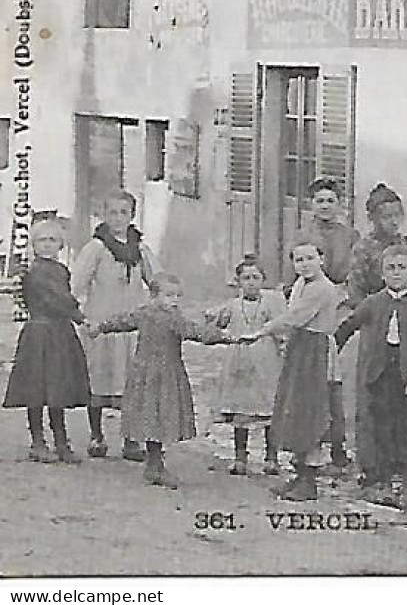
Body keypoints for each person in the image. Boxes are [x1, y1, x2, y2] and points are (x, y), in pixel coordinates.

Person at [86, 272, 239, 487]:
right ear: (154, 295)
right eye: (168, 295)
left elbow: (122, 321)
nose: (174, 301)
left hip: (145, 372)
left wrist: (100, 326)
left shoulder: (145, 313)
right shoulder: (170, 317)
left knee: (152, 416)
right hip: (163, 374)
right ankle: (155, 466)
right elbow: (194, 332)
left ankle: (154, 463)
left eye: (177, 296)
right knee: (159, 416)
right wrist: (222, 336)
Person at [334, 245, 407, 508]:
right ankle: (380, 480)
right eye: (391, 268)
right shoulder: (373, 303)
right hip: (378, 373)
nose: (396, 273)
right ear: (382, 274)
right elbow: (347, 326)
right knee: (380, 425)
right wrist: (330, 349)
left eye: (402, 267)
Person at [250, 242, 347, 501]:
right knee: (295, 408)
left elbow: (296, 316)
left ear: (321, 259)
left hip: (315, 352)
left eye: (310, 258)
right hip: (300, 347)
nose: (304, 264)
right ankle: (299, 472)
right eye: (298, 259)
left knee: (311, 412)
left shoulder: (324, 288)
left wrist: (264, 329)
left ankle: (310, 480)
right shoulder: (301, 285)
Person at [71, 190, 154, 461]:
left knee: (132, 379)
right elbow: (77, 284)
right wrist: (81, 315)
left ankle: (131, 439)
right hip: (102, 323)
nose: (118, 218)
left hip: (131, 325)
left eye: (124, 213)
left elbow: (157, 282)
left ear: (132, 216)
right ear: (103, 216)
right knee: (99, 376)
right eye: (112, 213)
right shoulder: (96, 248)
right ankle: (97, 436)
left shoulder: (140, 249)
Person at [4, 215, 92, 463]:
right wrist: (78, 315)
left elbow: (63, 295)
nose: (46, 244)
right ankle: (38, 441)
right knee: (36, 389)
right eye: (41, 240)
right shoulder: (35, 272)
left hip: (60, 334)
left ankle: (61, 441)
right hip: (40, 332)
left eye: (52, 240)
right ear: (33, 244)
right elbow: (57, 299)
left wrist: (72, 314)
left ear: (61, 244)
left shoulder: (62, 270)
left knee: (58, 387)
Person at [293, 176, 360, 472]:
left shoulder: (350, 236)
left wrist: (342, 294)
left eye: (330, 200)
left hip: (341, 308)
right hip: (313, 310)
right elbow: (295, 273)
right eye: (319, 200)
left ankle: (339, 445)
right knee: (314, 382)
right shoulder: (303, 236)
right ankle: (311, 444)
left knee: (338, 382)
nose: (325, 206)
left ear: (339, 204)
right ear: (311, 204)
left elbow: (355, 273)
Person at [211, 259, 286, 476]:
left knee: (268, 407)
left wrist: (282, 348)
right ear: (238, 282)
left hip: (266, 360)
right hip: (239, 361)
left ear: (263, 280)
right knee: (240, 409)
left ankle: (271, 457)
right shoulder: (233, 305)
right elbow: (218, 325)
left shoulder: (271, 304)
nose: (251, 283)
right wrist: (214, 317)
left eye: (256, 278)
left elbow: (280, 328)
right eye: (246, 278)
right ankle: (240, 457)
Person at [348, 183, 407, 303]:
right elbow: (356, 293)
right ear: (371, 218)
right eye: (387, 217)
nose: (394, 222)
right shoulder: (363, 249)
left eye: (397, 215)